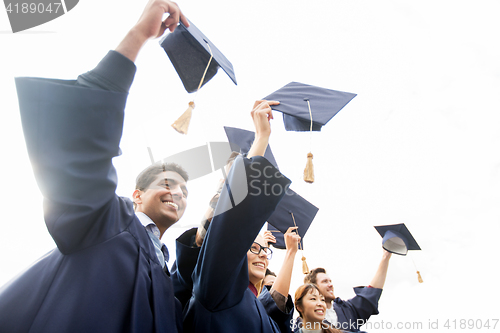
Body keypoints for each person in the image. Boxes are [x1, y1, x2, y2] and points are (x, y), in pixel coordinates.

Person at [0, 1, 192, 332]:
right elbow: (83, 148)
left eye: (184, 190)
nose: (176, 192)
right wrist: (138, 35)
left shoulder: (165, 270)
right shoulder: (107, 218)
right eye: (166, 183)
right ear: (136, 195)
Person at [176, 100, 294, 333]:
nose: (262, 255)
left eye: (264, 250)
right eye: (253, 248)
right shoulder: (217, 290)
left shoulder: (259, 308)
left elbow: (278, 307)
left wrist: (290, 252)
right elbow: (227, 226)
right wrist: (260, 139)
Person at [297, 250, 392, 332]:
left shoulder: (347, 309)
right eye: (325, 282)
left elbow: (370, 294)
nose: (330, 285)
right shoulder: (304, 320)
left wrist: (385, 258)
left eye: (330, 281)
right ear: (314, 287)